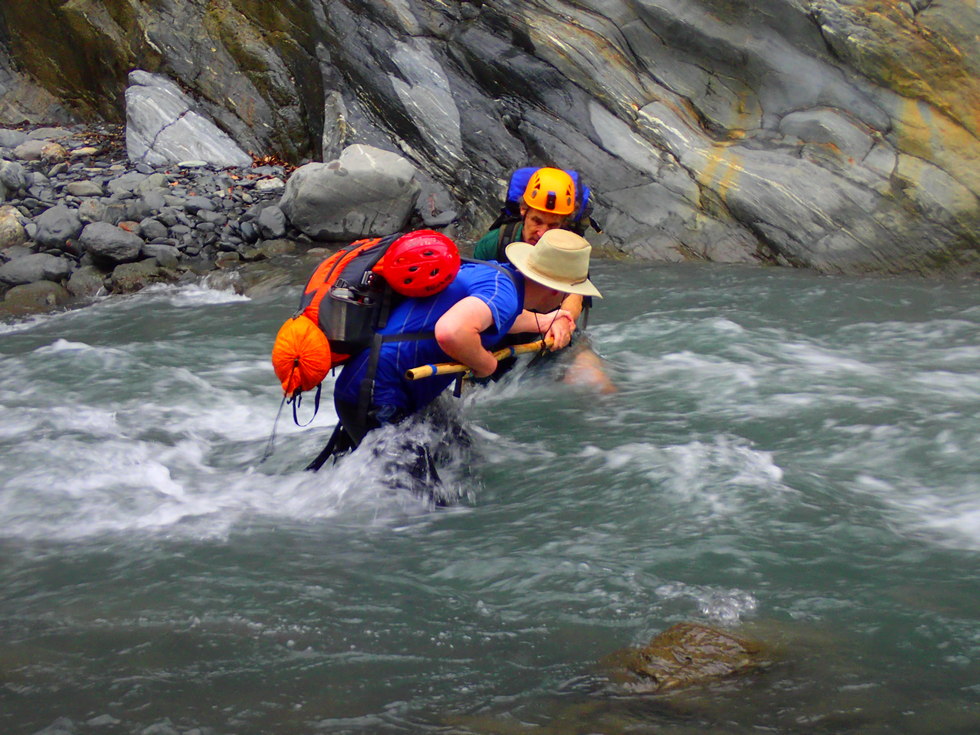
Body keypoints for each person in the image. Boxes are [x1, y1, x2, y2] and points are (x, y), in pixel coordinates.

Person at [328, 228, 601, 460]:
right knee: (422, 506)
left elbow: (492, 318)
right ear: (557, 290)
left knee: (462, 459)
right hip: (378, 395)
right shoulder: (503, 294)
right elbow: (452, 331)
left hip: (378, 386)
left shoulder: (499, 277)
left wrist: (544, 321)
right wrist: (485, 363)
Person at [473, 167, 615, 393]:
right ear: (523, 210)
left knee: (597, 383)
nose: (542, 233)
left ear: (565, 223)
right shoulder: (494, 244)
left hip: (553, 334)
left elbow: (575, 295)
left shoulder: (570, 249)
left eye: (553, 225)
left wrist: (562, 321)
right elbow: (471, 295)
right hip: (497, 336)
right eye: (537, 221)